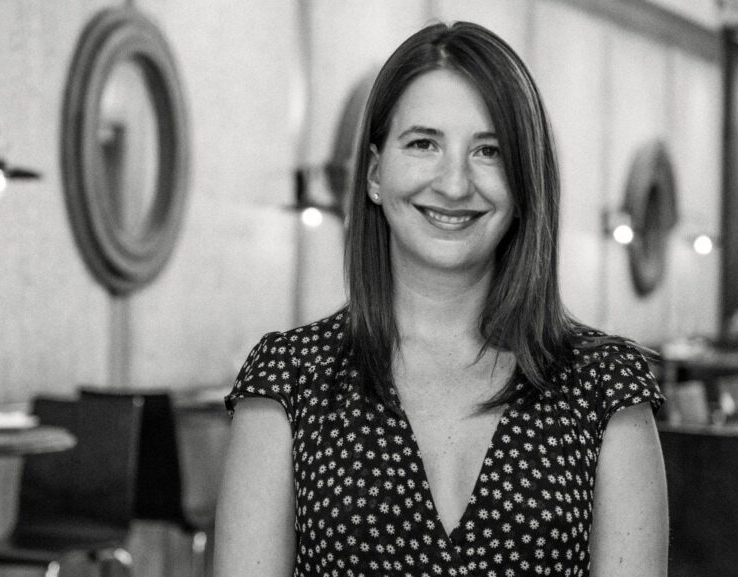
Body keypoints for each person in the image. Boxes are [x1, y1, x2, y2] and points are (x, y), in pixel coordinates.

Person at [215, 20, 667, 577]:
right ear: (375, 173)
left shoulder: (604, 385)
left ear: (525, 183)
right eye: (423, 144)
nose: (454, 184)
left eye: (489, 151)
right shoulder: (289, 378)